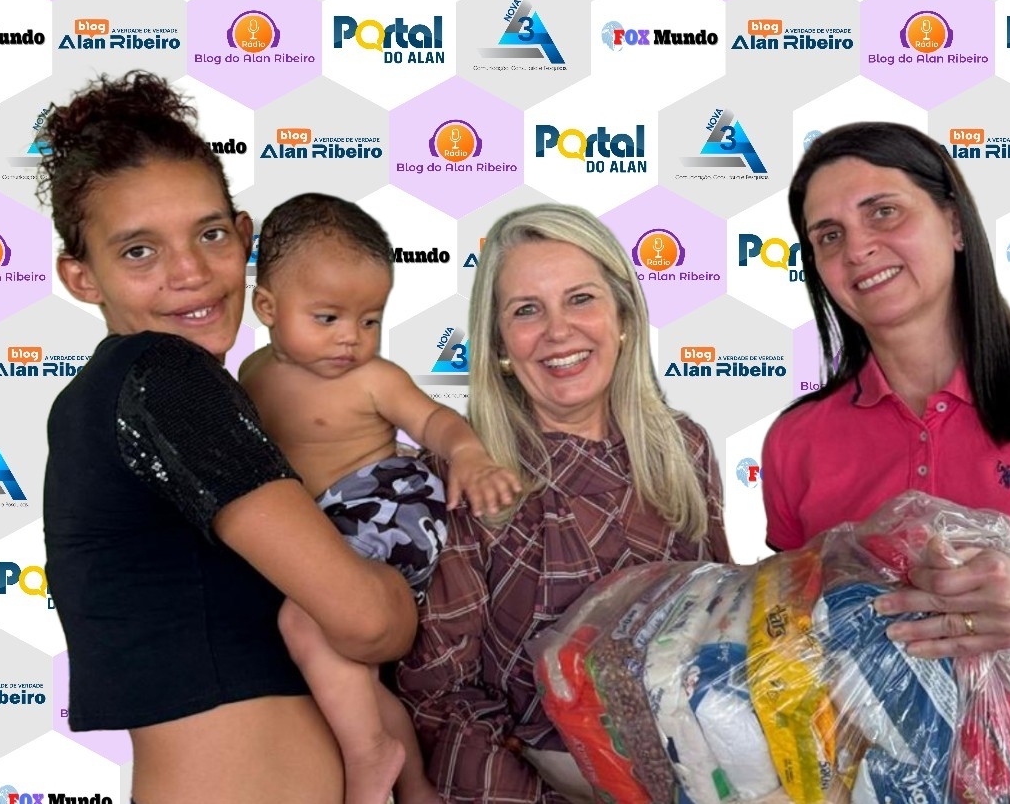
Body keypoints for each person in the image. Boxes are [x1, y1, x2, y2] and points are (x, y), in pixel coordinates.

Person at [39, 71, 417, 804]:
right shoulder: (163, 376)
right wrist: (409, 574)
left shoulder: (100, 400)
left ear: (245, 236)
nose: (190, 273)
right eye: (139, 251)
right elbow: (369, 622)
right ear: (81, 277)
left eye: (210, 234)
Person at [760, 122, 1010, 803]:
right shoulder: (796, 441)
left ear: (955, 223)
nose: (858, 248)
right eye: (829, 236)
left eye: (883, 211)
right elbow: (791, 667)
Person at [394, 204, 732, 803]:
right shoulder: (462, 478)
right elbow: (440, 703)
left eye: (580, 299)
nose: (558, 331)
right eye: (527, 310)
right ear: (500, 344)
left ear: (623, 316)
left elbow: (721, 631)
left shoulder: (685, 448)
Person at [239, 192, 522, 804]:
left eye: (370, 320)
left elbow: (433, 420)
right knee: (352, 675)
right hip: (323, 520)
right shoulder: (252, 374)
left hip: (388, 503)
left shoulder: (373, 379)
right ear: (267, 307)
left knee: (305, 620)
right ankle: (414, 786)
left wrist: (468, 454)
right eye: (328, 318)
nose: (351, 338)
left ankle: (366, 753)